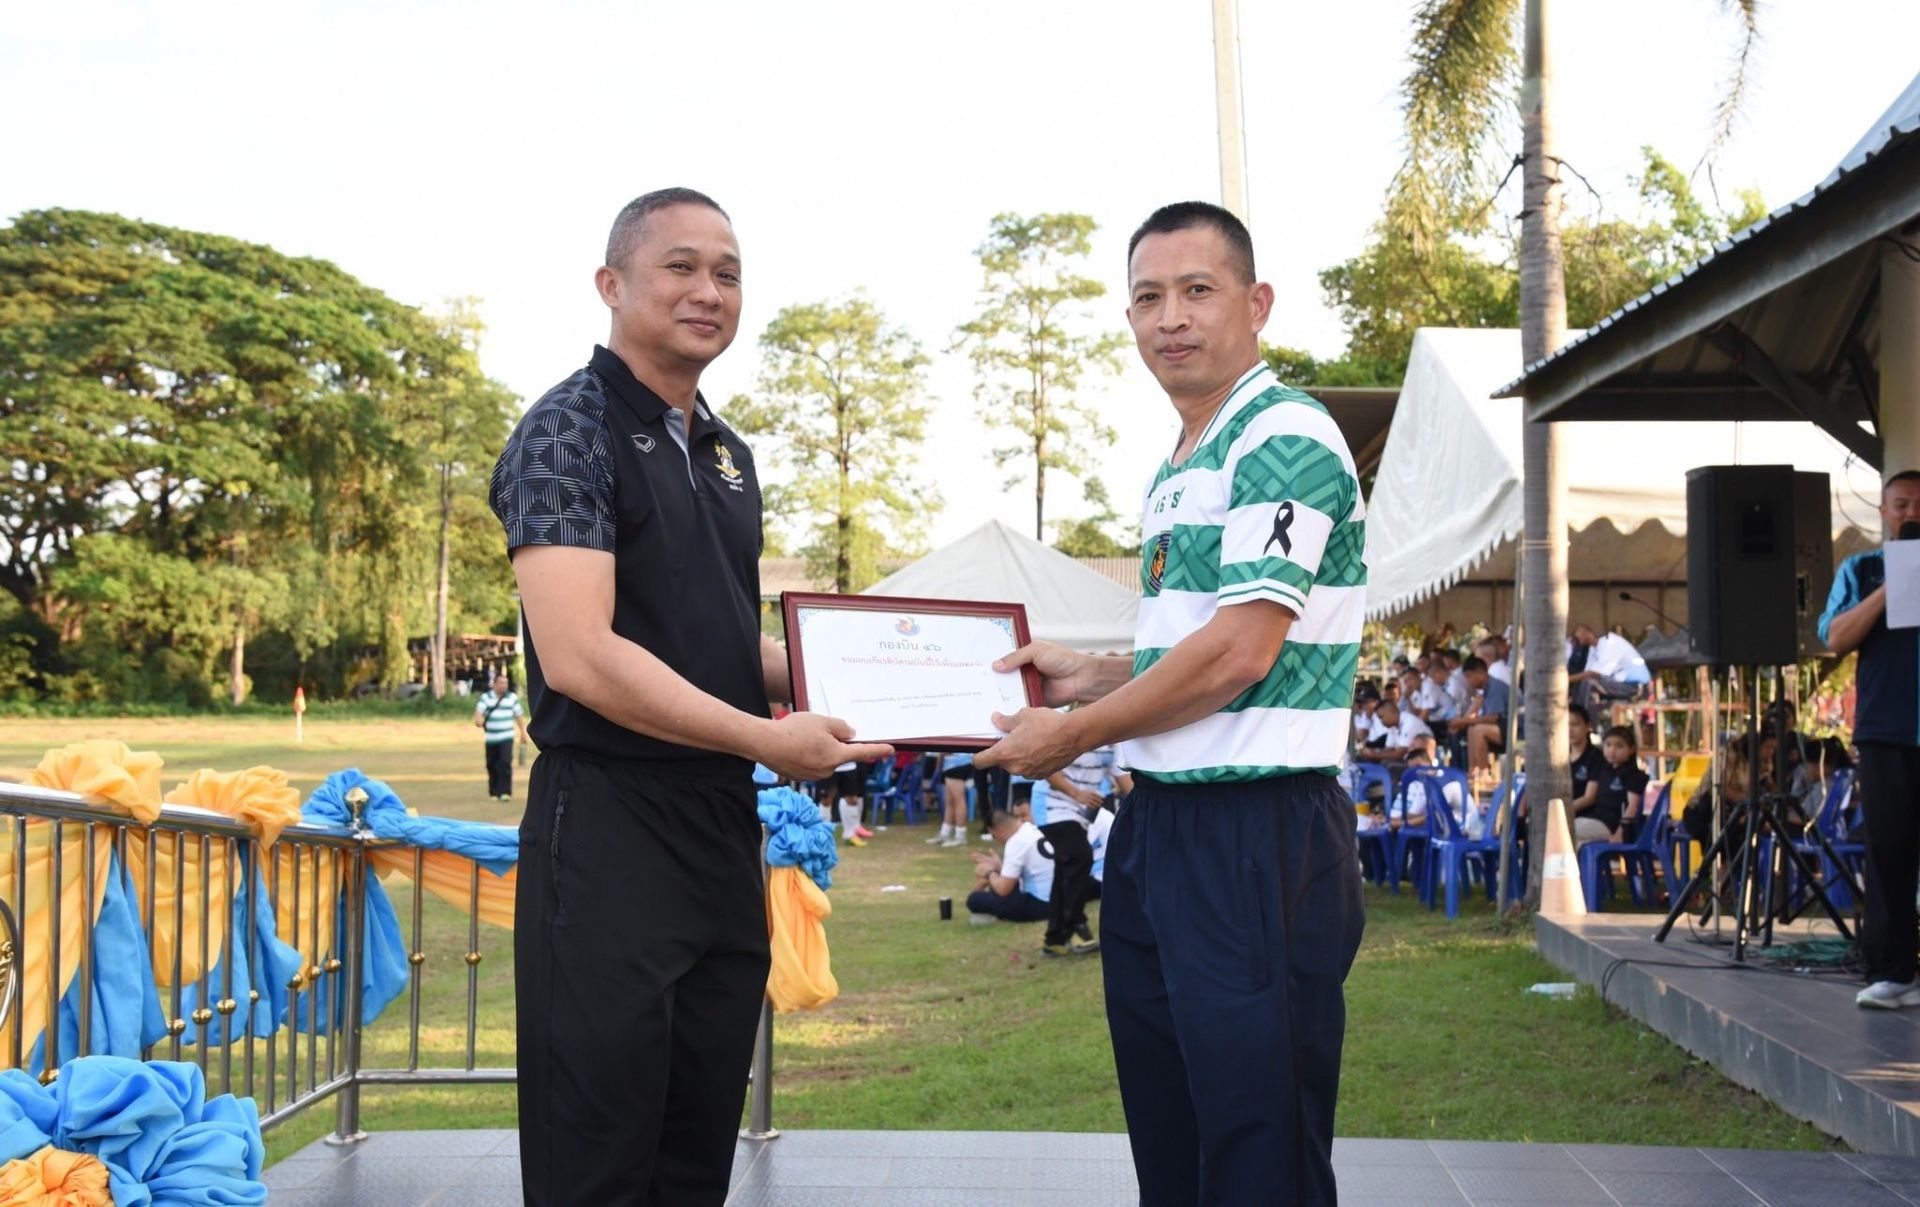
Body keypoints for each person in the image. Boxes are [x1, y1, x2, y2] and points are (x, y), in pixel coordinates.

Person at [490, 187, 890, 1205]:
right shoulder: (565, 432)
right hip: (609, 827)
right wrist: (766, 736)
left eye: (728, 272)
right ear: (611, 283)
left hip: (719, 830)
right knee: (599, 1158)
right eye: (681, 266)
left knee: (694, 1148)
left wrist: (866, 671)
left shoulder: (725, 452)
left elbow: (716, 636)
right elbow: (580, 656)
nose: (708, 290)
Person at [976, 201, 1365, 1205]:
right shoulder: (1184, 458)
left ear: (1257, 302)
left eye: (1198, 290)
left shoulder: (1282, 435)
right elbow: (1203, 644)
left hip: (1255, 828)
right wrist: (1092, 673)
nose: (1171, 318)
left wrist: (1072, 731)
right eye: (1149, 297)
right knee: (1174, 1138)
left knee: (1258, 1151)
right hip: (1162, 824)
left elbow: (1241, 652)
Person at [1819, 469, 1920, 1010]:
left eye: (1919, 505)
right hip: (1887, 730)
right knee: (1890, 851)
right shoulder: (1861, 569)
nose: (1911, 514)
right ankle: (1892, 972)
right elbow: (1834, 636)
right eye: (1901, 504)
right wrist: (1892, 588)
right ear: (1883, 513)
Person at [1036, 743, 1116, 952]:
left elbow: (1125, 781)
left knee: (1066, 869)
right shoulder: (1074, 731)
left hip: (1082, 813)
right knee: (1080, 858)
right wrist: (1076, 793)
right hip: (1052, 807)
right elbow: (1046, 766)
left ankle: (1055, 939)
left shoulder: (1115, 742)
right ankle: (1075, 925)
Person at [966, 806, 1054, 924]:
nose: (997, 840)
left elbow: (1003, 889)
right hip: (1061, 898)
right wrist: (999, 868)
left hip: (1043, 904)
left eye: (994, 836)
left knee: (974, 899)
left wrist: (990, 872)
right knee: (995, 889)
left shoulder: (1016, 842)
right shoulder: (1034, 829)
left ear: (997, 830)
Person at [1582, 725, 1649, 846]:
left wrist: (1620, 832)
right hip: (1595, 818)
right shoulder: (1602, 770)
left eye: (1619, 746)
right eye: (1608, 745)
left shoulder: (1634, 775)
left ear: (1631, 749)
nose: (1612, 750)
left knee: (1569, 830)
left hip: (1612, 825)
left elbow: (1633, 806)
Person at [1445, 656, 1509, 778]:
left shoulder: (1495, 687)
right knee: (1472, 729)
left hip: (1514, 729)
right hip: (1501, 728)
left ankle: (1483, 774)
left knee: (1479, 729)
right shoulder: (1485, 690)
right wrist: (1465, 721)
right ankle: (1473, 772)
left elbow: (1493, 718)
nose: (1468, 681)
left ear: (1480, 672)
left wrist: (1464, 721)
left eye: (1469, 676)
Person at [472, 672, 529, 801]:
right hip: (491, 738)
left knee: (505, 763)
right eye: (501, 683)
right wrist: (478, 720)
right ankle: (494, 791)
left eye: (506, 683)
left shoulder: (512, 698)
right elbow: (479, 712)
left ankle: (505, 792)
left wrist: (523, 732)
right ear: (494, 684)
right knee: (491, 764)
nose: (504, 685)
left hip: (507, 736)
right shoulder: (486, 697)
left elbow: (519, 716)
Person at [1568, 624, 1651, 710]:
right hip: (1619, 684)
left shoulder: (1609, 642)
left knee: (1589, 684)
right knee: (1580, 685)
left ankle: (1584, 717)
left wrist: (1566, 679)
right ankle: (1575, 714)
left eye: (1577, 635)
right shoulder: (1593, 648)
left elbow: (1593, 674)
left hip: (1635, 686)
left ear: (1587, 632)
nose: (1577, 640)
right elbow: (1586, 673)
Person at [928, 750, 974, 847]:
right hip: (951, 764)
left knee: (959, 800)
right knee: (949, 801)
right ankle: (944, 834)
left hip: (957, 762)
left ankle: (960, 836)